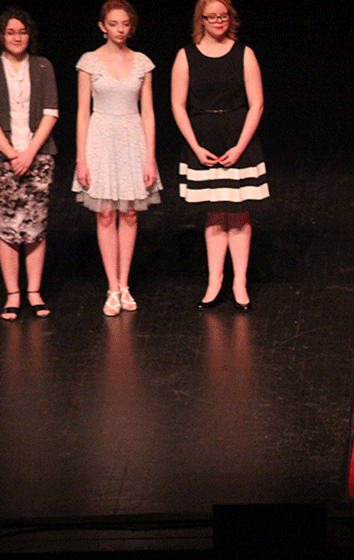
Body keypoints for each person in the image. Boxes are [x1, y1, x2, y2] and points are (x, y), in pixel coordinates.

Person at [171, 0, 267, 312]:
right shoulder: (186, 56)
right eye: (211, 16)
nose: (218, 21)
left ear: (230, 18)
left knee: (237, 213)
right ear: (202, 19)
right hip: (204, 142)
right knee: (215, 213)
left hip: (237, 140)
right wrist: (196, 146)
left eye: (222, 16)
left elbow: (257, 104)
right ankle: (215, 282)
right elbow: (178, 105)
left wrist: (240, 147)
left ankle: (239, 283)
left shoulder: (245, 54)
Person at [73, 0, 161, 317]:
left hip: (132, 136)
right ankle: (112, 286)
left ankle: (125, 284)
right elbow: (82, 113)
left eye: (125, 24)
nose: (120, 29)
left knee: (131, 213)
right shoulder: (89, 62)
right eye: (114, 24)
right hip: (100, 137)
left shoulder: (142, 63)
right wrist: (81, 158)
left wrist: (150, 158)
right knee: (106, 214)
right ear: (102, 26)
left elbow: (149, 112)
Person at [0, 7, 57, 321]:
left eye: (21, 32)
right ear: (2, 36)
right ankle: (13, 293)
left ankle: (34, 291)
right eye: (10, 32)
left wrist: (29, 153)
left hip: (38, 154)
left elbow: (51, 111)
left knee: (35, 225)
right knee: (7, 226)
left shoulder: (42, 66)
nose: (17, 37)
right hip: (4, 157)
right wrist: (10, 153)